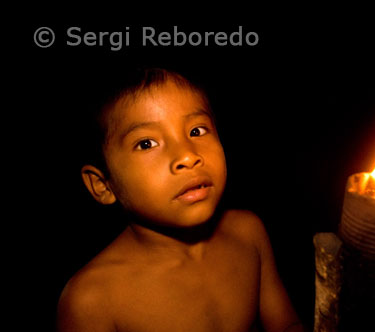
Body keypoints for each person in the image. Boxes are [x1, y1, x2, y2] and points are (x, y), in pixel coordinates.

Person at [56, 67, 305, 332]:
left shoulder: (247, 233)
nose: (188, 155)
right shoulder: (92, 300)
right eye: (146, 144)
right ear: (103, 185)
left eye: (197, 131)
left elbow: (286, 325)